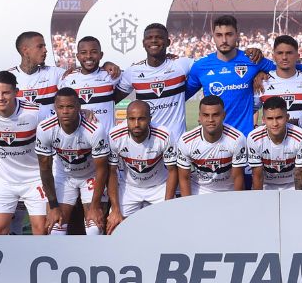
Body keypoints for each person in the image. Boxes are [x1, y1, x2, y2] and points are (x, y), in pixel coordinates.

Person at [0, 70, 48, 236]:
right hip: (3, 180)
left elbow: (62, 121)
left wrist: (83, 112)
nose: (1, 98)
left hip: (34, 179)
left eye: (6, 93)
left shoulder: (36, 112)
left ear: (16, 92)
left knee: (41, 230)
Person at [36, 87, 109, 236]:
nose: (65, 111)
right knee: (55, 229)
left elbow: (102, 169)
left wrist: (95, 206)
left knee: (94, 228)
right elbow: (45, 170)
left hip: (90, 175)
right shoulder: (45, 129)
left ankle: (95, 259)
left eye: (70, 107)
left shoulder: (95, 129)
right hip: (64, 176)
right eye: (61, 107)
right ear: (55, 108)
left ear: (79, 107)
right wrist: (53, 205)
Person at [187, 15, 276, 136]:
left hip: (244, 139)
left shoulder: (252, 60)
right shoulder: (201, 66)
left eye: (229, 34)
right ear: (213, 36)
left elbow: (285, 69)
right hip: (215, 140)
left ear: (237, 35)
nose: (224, 40)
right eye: (219, 35)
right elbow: (179, 96)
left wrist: (263, 72)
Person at [116, 23, 200, 141]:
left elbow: (205, 69)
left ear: (168, 42)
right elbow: (111, 100)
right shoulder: (133, 72)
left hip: (176, 143)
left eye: (159, 37)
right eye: (149, 38)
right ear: (143, 43)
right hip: (147, 144)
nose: (154, 41)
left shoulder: (181, 64)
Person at [106, 100, 176, 229]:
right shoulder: (115, 136)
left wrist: (168, 205)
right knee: (114, 227)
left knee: (169, 226)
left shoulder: (164, 135)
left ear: (150, 119)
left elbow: (172, 171)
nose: (136, 124)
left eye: (141, 119)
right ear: (126, 119)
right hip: (129, 188)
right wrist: (115, 209)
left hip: (159, 187)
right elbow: (111, 172)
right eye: (132, 119)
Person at [176, 96, 247, 195]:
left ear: (224, 115)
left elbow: (238, 177)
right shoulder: (186, 141)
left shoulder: (237, 139)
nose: (210, 120)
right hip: (198, 191)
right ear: (199, 117)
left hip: (228, 192)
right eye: (206, 115)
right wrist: (188, 205)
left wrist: (237, 202)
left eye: (215, 115)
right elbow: (184, 178)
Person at [247, 97, 302, 191]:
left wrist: (298, 199)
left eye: (279, 117)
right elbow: (257, 175)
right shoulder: (254, 138)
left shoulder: (301, 136)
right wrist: (259, 201)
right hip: (266, 184)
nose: (275, 123)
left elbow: (300, 172)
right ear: (263, 119)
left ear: (287, 118)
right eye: (270, 118)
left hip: (292, 184)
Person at [62, 36, 121, 135]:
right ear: (78, 56)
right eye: (84, 52)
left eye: (93, 52)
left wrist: (108, 64)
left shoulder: (110, 75)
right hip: (80, 143)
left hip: (106, 141)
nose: (88, 56)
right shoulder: (68, 79)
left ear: (101, 55)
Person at [255, 35, 302, 118]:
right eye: (280, 53)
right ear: (273, 56)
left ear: (297, 56)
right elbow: (250, 111)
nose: (284, 57)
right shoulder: (262, 82)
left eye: (289, 53)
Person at [8, 30, 65, 120]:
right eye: (40, 46)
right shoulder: (7, 77)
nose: (45, 50)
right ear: (25, 50)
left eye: (44, 46)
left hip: (50, 132)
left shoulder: (56, 74)